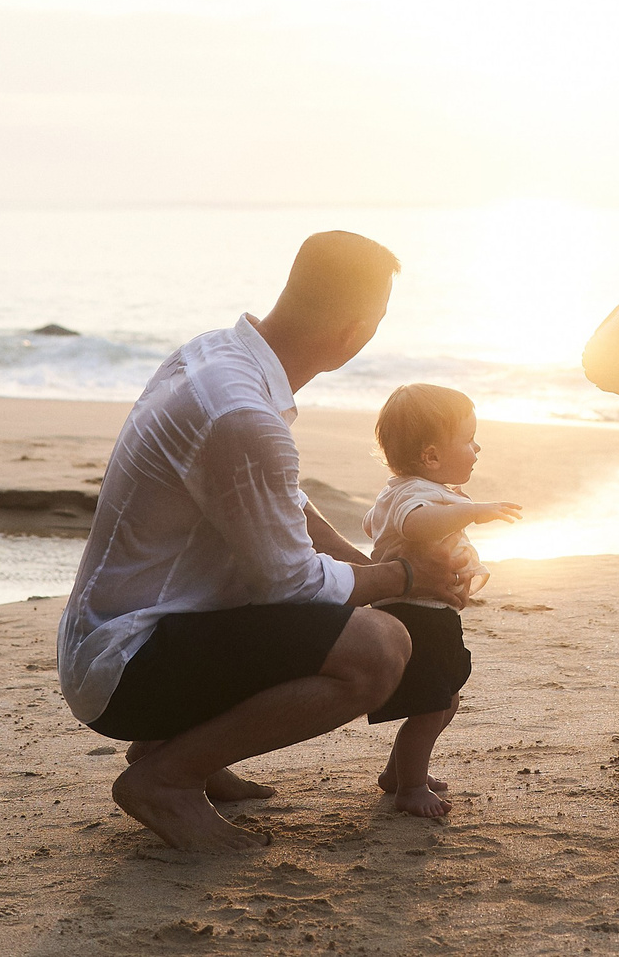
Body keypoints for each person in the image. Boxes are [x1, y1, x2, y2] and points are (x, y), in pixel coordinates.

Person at [56, 231, 473, 852]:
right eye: (378, 321)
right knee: (379, 648)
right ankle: (166, 780)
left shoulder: (219, 358)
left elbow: (285, 505)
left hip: (117, 636)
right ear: (353, 332)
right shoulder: (243, 414)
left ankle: (176, 747)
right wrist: (406, 580)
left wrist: (370, 567)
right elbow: (293, 582)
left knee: (361, 609)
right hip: (128, 664)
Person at [358, 382, 524, 818]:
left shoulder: (405, 490)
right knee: (433, 705)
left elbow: (371, 526)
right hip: (417, 616)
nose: (477, 447)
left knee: (444, 698)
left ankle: (398, 773)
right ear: (430, 456)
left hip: (432, 612)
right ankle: (409, 788)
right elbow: (415, 525)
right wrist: (470, 511)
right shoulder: (415, 494)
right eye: (468, 440)